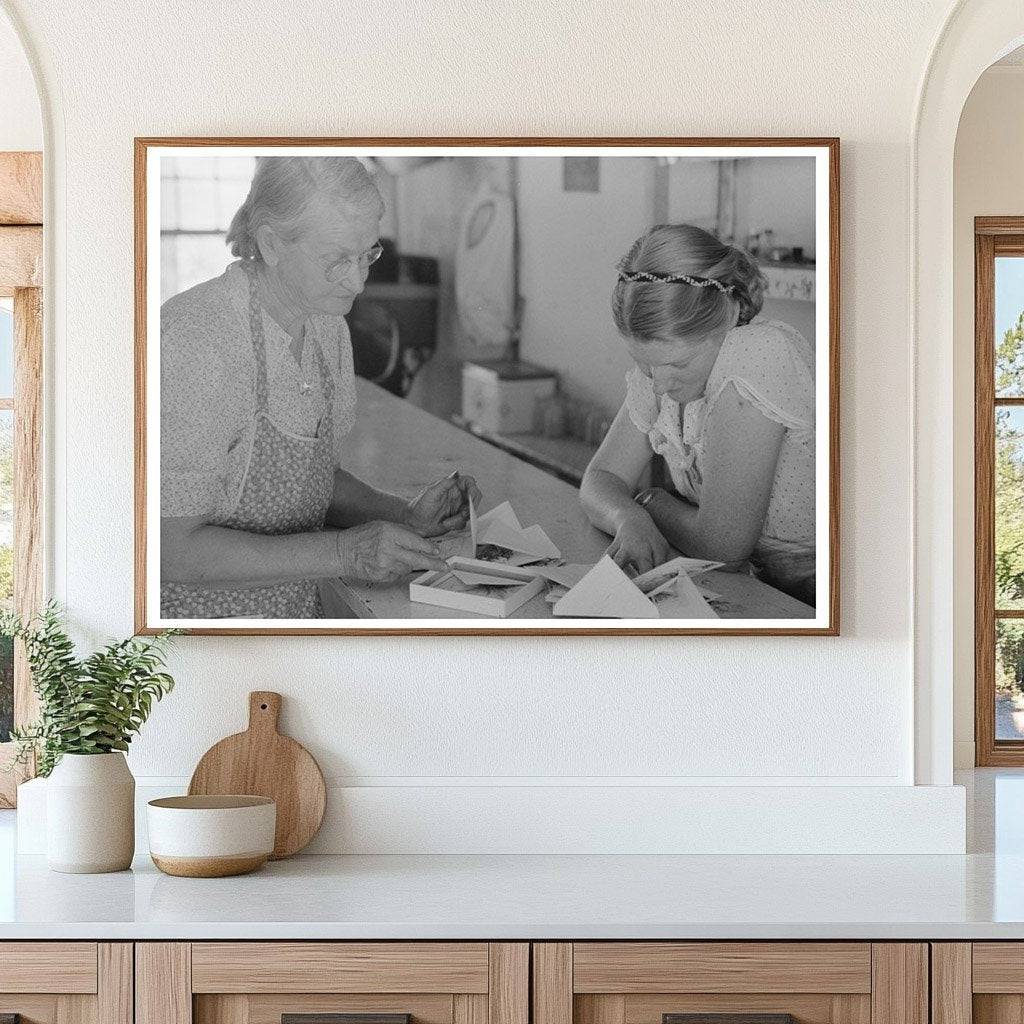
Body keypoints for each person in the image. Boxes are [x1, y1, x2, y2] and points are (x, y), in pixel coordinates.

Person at [160, 156, 480, 618]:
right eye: (336, 260)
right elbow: (171, 548)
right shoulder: (198, 340)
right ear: (271, 243)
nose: (358, 280)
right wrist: (344, 553)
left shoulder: (325, 323)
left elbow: (309, 477)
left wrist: (400, 515)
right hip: (197, 637)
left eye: (367, 253)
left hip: (293, 614)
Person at [580, 224, 816, 606]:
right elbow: (600, 478)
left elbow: (722, 548)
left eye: (678, 363)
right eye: (642, 364)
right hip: (756, 585)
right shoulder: (660, 369)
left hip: (827, 591)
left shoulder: (756, 356)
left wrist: (651, 502)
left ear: (728, 317)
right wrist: (627, 519)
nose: (658, 385)